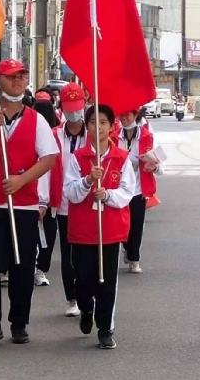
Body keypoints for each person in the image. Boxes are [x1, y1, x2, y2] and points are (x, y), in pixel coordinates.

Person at [0, 59, 58, 350]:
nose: (18, 81)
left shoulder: (37, 120)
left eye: (22, 76)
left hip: (24, 206)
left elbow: (48, 158)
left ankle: (19, 322)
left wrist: (22, 181)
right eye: (11, 77)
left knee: (22, 266)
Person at [64, 104, 136, 350]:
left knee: (107, 281)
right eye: (93, 122)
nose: (99, 127)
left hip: (110, 231)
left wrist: (108, 195)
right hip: (83, 229)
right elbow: (70, 193)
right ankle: (85, 308)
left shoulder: (122, 158)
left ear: (111, 126)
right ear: (88, 127)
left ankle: (105, 328)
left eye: (103, 122)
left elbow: (128, 193)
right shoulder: (78, 158)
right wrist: (86, 181)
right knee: (83, 279)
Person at [48, 82, 87, 317]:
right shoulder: (53, 135)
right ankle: (71, 298)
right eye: (69, 108)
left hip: (89, 203)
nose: (74, 113)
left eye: (77, 107)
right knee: (68, 253)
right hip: (63, 204)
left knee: (87, 254)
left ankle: (87, 295)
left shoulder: (94, 135)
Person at [116, 109, 163, 273]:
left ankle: (134, 258)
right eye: (122, 114)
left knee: (136, 225)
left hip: (138, 188)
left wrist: (154, 166)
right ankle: (127, 247)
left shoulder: (146, 136)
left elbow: (159, 166)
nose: (124, 117)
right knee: (121, 224)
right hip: (118, 188)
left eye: (128, 114)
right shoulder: (113, 135)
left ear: (136, 116)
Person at [32, 99, 60, 287]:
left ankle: (40, 268)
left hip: (50, 194)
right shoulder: (30, 134)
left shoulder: (56, 136)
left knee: (47, 233)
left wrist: (44, 200)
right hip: (29, 192)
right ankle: (32, 267)